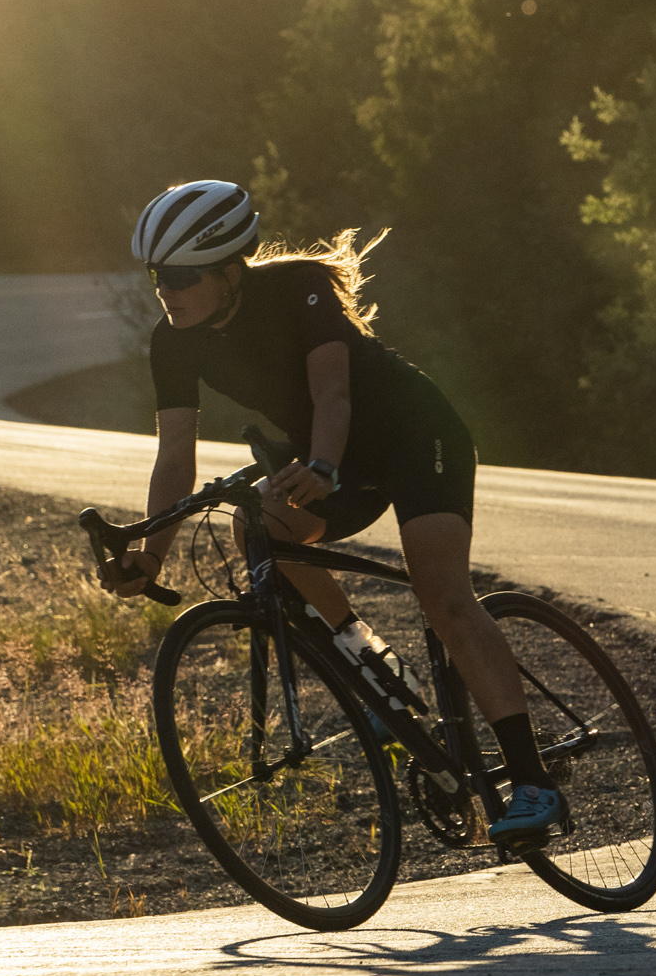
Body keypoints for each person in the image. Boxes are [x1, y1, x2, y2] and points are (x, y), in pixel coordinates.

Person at [96, 179, 567, 847]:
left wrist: (320, 465)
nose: (164, 290)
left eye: (179, 274)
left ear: (231, 272)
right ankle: (375, 662)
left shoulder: (298, 292)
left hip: (412, 435)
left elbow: (334, 393)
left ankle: (531, 781)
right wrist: (150, 556)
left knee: (443, 595)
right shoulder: (173, 339)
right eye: (155, 275)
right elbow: (175, 458)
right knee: (257, 528)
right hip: (326, 456)